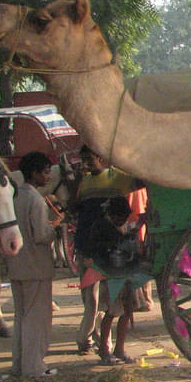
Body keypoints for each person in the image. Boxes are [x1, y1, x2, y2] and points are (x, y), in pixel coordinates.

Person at [73, 145, 141, 355]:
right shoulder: (83, 182)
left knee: (109, 305)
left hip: (110, 253)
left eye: (89, 160)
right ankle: (87, 339)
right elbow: (75, 208)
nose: (85, 164)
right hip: (88, 247)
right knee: (91, 301)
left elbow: (141, 181)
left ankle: (106, 345)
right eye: (83, 160)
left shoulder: (117, 178)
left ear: (101, 158)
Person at [7, 151, 57, 378]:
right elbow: (41, 235)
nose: (48, 177)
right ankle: (34, 366)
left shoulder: (15, 196)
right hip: (36, 266)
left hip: (16, 265)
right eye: (45, 173)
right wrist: (55, 229)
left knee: (21, 317)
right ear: (34, 173)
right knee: (37, 318)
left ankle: (19, 364)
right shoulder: (36, 199)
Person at [82, 195, 140, 365]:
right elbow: (117, 245)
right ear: (114, 215)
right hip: (112, 276)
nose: (123, 221)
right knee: (112, 312)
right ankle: (105, 350)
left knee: (126, 311)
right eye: (121, 218)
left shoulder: (114, 226)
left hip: (122, 274)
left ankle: (119, 349)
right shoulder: (103, 227)